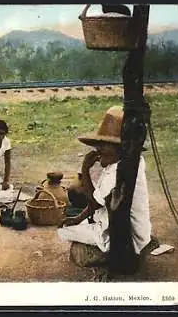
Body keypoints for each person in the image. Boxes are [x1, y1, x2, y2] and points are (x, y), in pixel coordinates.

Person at [57, 106, 152, 258]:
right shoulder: (130, 162)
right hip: (137, 233)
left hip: (126, 239)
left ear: (121, 148)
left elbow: (94, 203)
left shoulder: (119, 171)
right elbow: (97, 201)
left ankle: (105, 254)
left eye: (104, 144)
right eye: (98, 144)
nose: (98, 149)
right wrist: (78, 218)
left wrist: (85, 168)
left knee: (62, 231)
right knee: (74, 219)